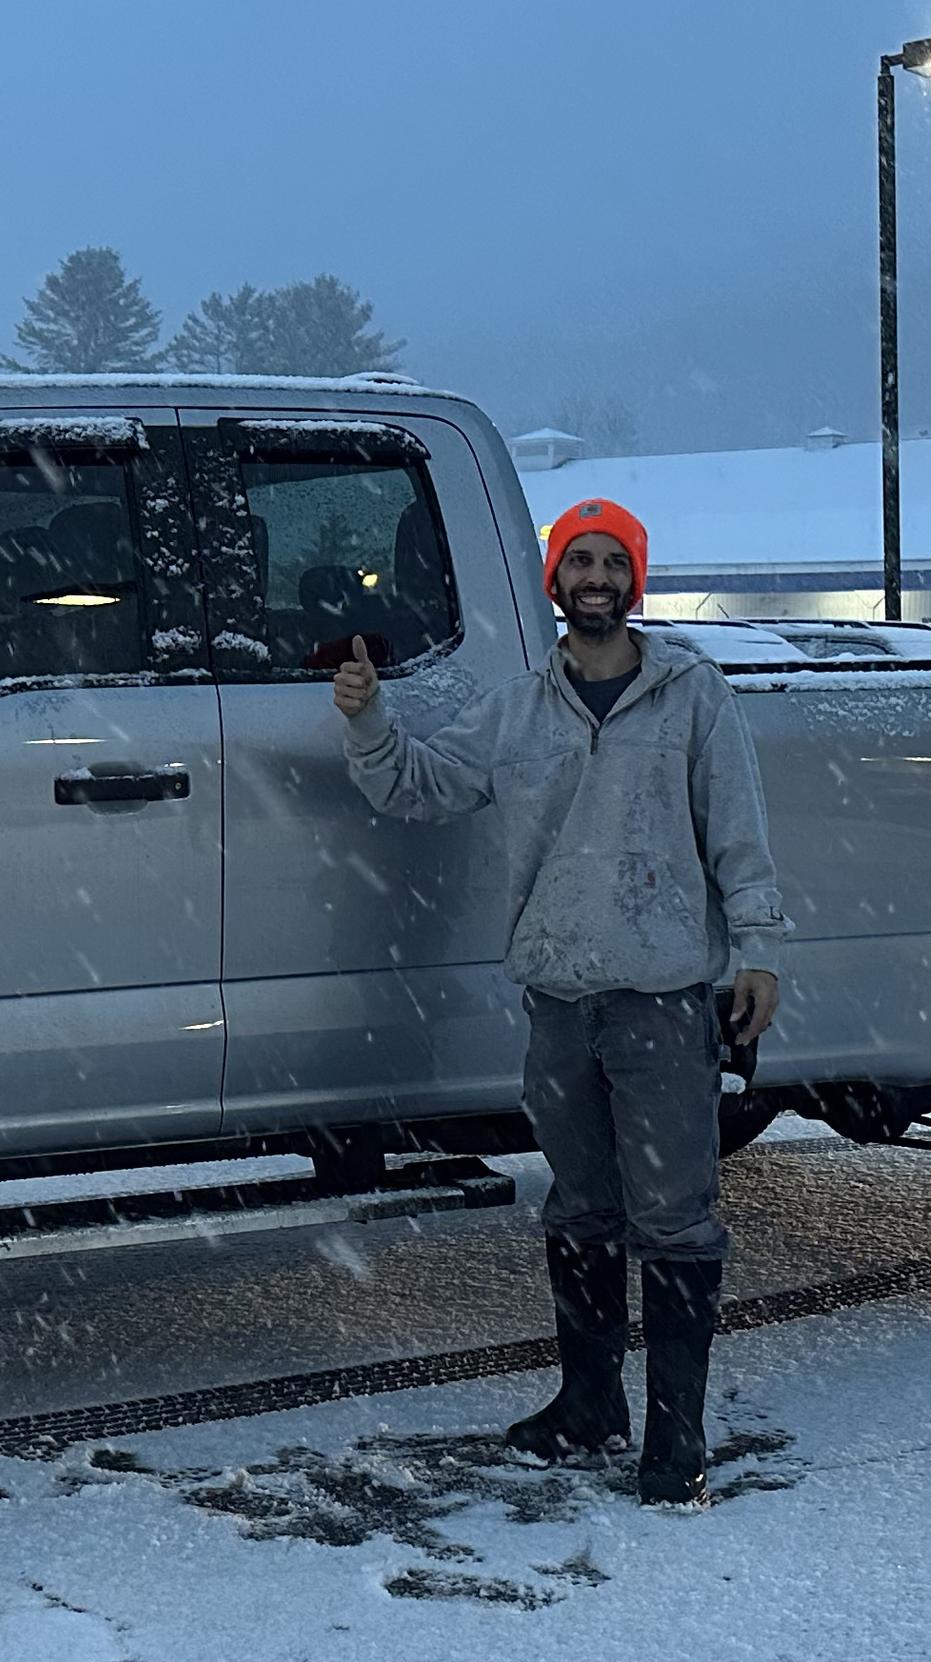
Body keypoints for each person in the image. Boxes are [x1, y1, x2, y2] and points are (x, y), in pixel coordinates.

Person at [332, 496, 784, 1504]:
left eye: (610, 562)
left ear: (635, 580)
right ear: (556, 581)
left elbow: (738, 837)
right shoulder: (515, 709)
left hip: (663, 1000)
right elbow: (415, 785)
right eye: (578, 561)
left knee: (673, 1218)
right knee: (580, 1208)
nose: (594, 578)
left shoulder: (691, 696)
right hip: (559, 1000)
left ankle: (677, 1435)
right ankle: (590, 1405)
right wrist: (368, 718)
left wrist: (756, 950)